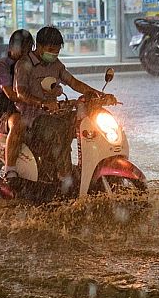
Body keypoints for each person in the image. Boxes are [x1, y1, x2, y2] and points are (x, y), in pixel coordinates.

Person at [14, 26, 111, 186]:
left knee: (88, 123)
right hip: (33, 119)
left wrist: (98, 95)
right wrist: (42, 103)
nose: (54, 54)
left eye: (57, 51)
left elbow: (73, 82)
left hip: (55, 114)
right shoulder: (24, 64)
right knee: (60, 130)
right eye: (51, 50)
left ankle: (87, 169)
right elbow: (21, 93)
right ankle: (64, 177)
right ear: (39, 46)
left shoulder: (56, 65)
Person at [0, 29, 34, 174]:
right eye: (21, 49)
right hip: (4, 112)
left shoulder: (32, 66)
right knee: (18, 124)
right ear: (11, 47)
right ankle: (10, 169)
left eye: (28, 49)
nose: (24, 53)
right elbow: (11, 95)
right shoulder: (2, 67)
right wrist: (38, 100)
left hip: (27, 108)